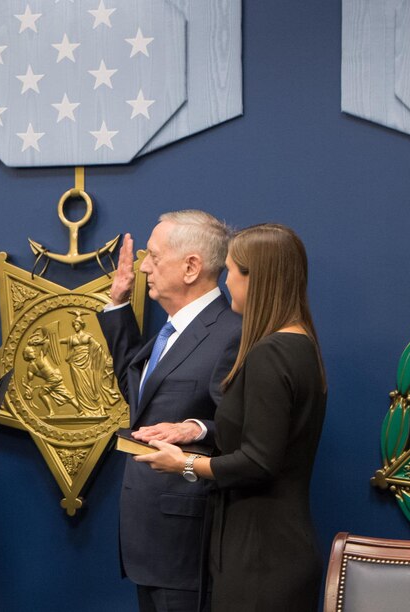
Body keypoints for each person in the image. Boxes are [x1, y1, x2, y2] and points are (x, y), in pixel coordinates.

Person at [136, 224, 327, 611]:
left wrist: (184, 463)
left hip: (260, 556)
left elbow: (258, 461)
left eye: (230, 271)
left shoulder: (270, 353)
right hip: (274, 547)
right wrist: (194, 428)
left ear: (257, 278)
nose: (225, 282)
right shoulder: (302, 343)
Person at [98, 210, 241, 612]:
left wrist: (196, 428)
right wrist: (117, 304)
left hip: (187, 542)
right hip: (150, 541)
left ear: (191, 267)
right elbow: (142, 396)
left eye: (155, 258)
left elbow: (242, 429)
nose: (145, 267)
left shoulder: (231, 333)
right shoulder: (173, 330)